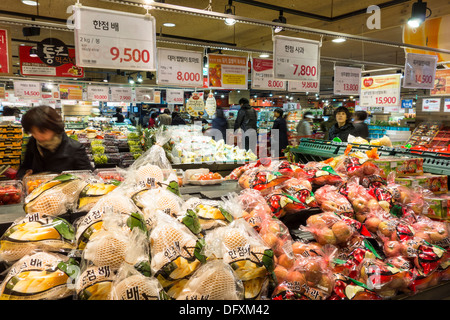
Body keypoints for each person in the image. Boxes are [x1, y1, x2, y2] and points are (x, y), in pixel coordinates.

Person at [17, 106, 93, 180]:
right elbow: (24, 167)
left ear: (54, 127)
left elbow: (88, 176)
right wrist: (24, 175)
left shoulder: (75, 148)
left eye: (42, 131)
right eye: (33, 132)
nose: (38, 136)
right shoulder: (32, 142)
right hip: (37, 189)